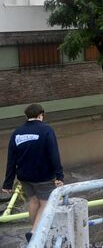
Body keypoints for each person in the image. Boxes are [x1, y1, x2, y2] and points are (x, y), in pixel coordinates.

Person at [2, 104, 64, 243]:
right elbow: (53, 154)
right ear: (41, 114)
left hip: (24, 176)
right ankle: (35, 232)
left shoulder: (17, 133)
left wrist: (7, 183)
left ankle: (34, 228)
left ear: (26, 116)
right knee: (46, 203)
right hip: (43, 176)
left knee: (33, 200)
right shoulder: (46, 130)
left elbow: (11, 159)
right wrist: (59, 175)